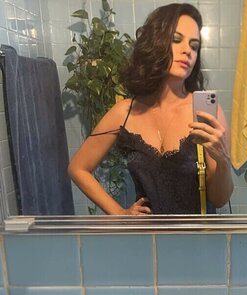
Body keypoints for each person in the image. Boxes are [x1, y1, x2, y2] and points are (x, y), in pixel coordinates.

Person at [68, 3, 233, 215]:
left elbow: (220, 199)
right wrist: (120, 214)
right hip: (146, 235)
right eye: (176, 39)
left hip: (196, 235)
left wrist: (222, 160)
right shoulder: (125, 112)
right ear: (155, 42)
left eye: (194, 46)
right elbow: (78, 168)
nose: (187, 51)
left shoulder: (205, 112)